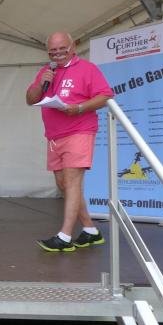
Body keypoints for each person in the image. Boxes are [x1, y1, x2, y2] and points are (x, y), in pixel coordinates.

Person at [26, 32, 114, 252]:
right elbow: (30, 99)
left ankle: (64, 236)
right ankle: (90, 230)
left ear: (73, 47)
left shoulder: (87, 68)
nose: (57, 53)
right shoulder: (47, 71)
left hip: (79, 131)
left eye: (62, 48)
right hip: (54, 135)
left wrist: (80, 108)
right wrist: (41, 84)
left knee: (72, 181)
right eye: (52, 51)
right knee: (63, 184)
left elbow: (105, 95)